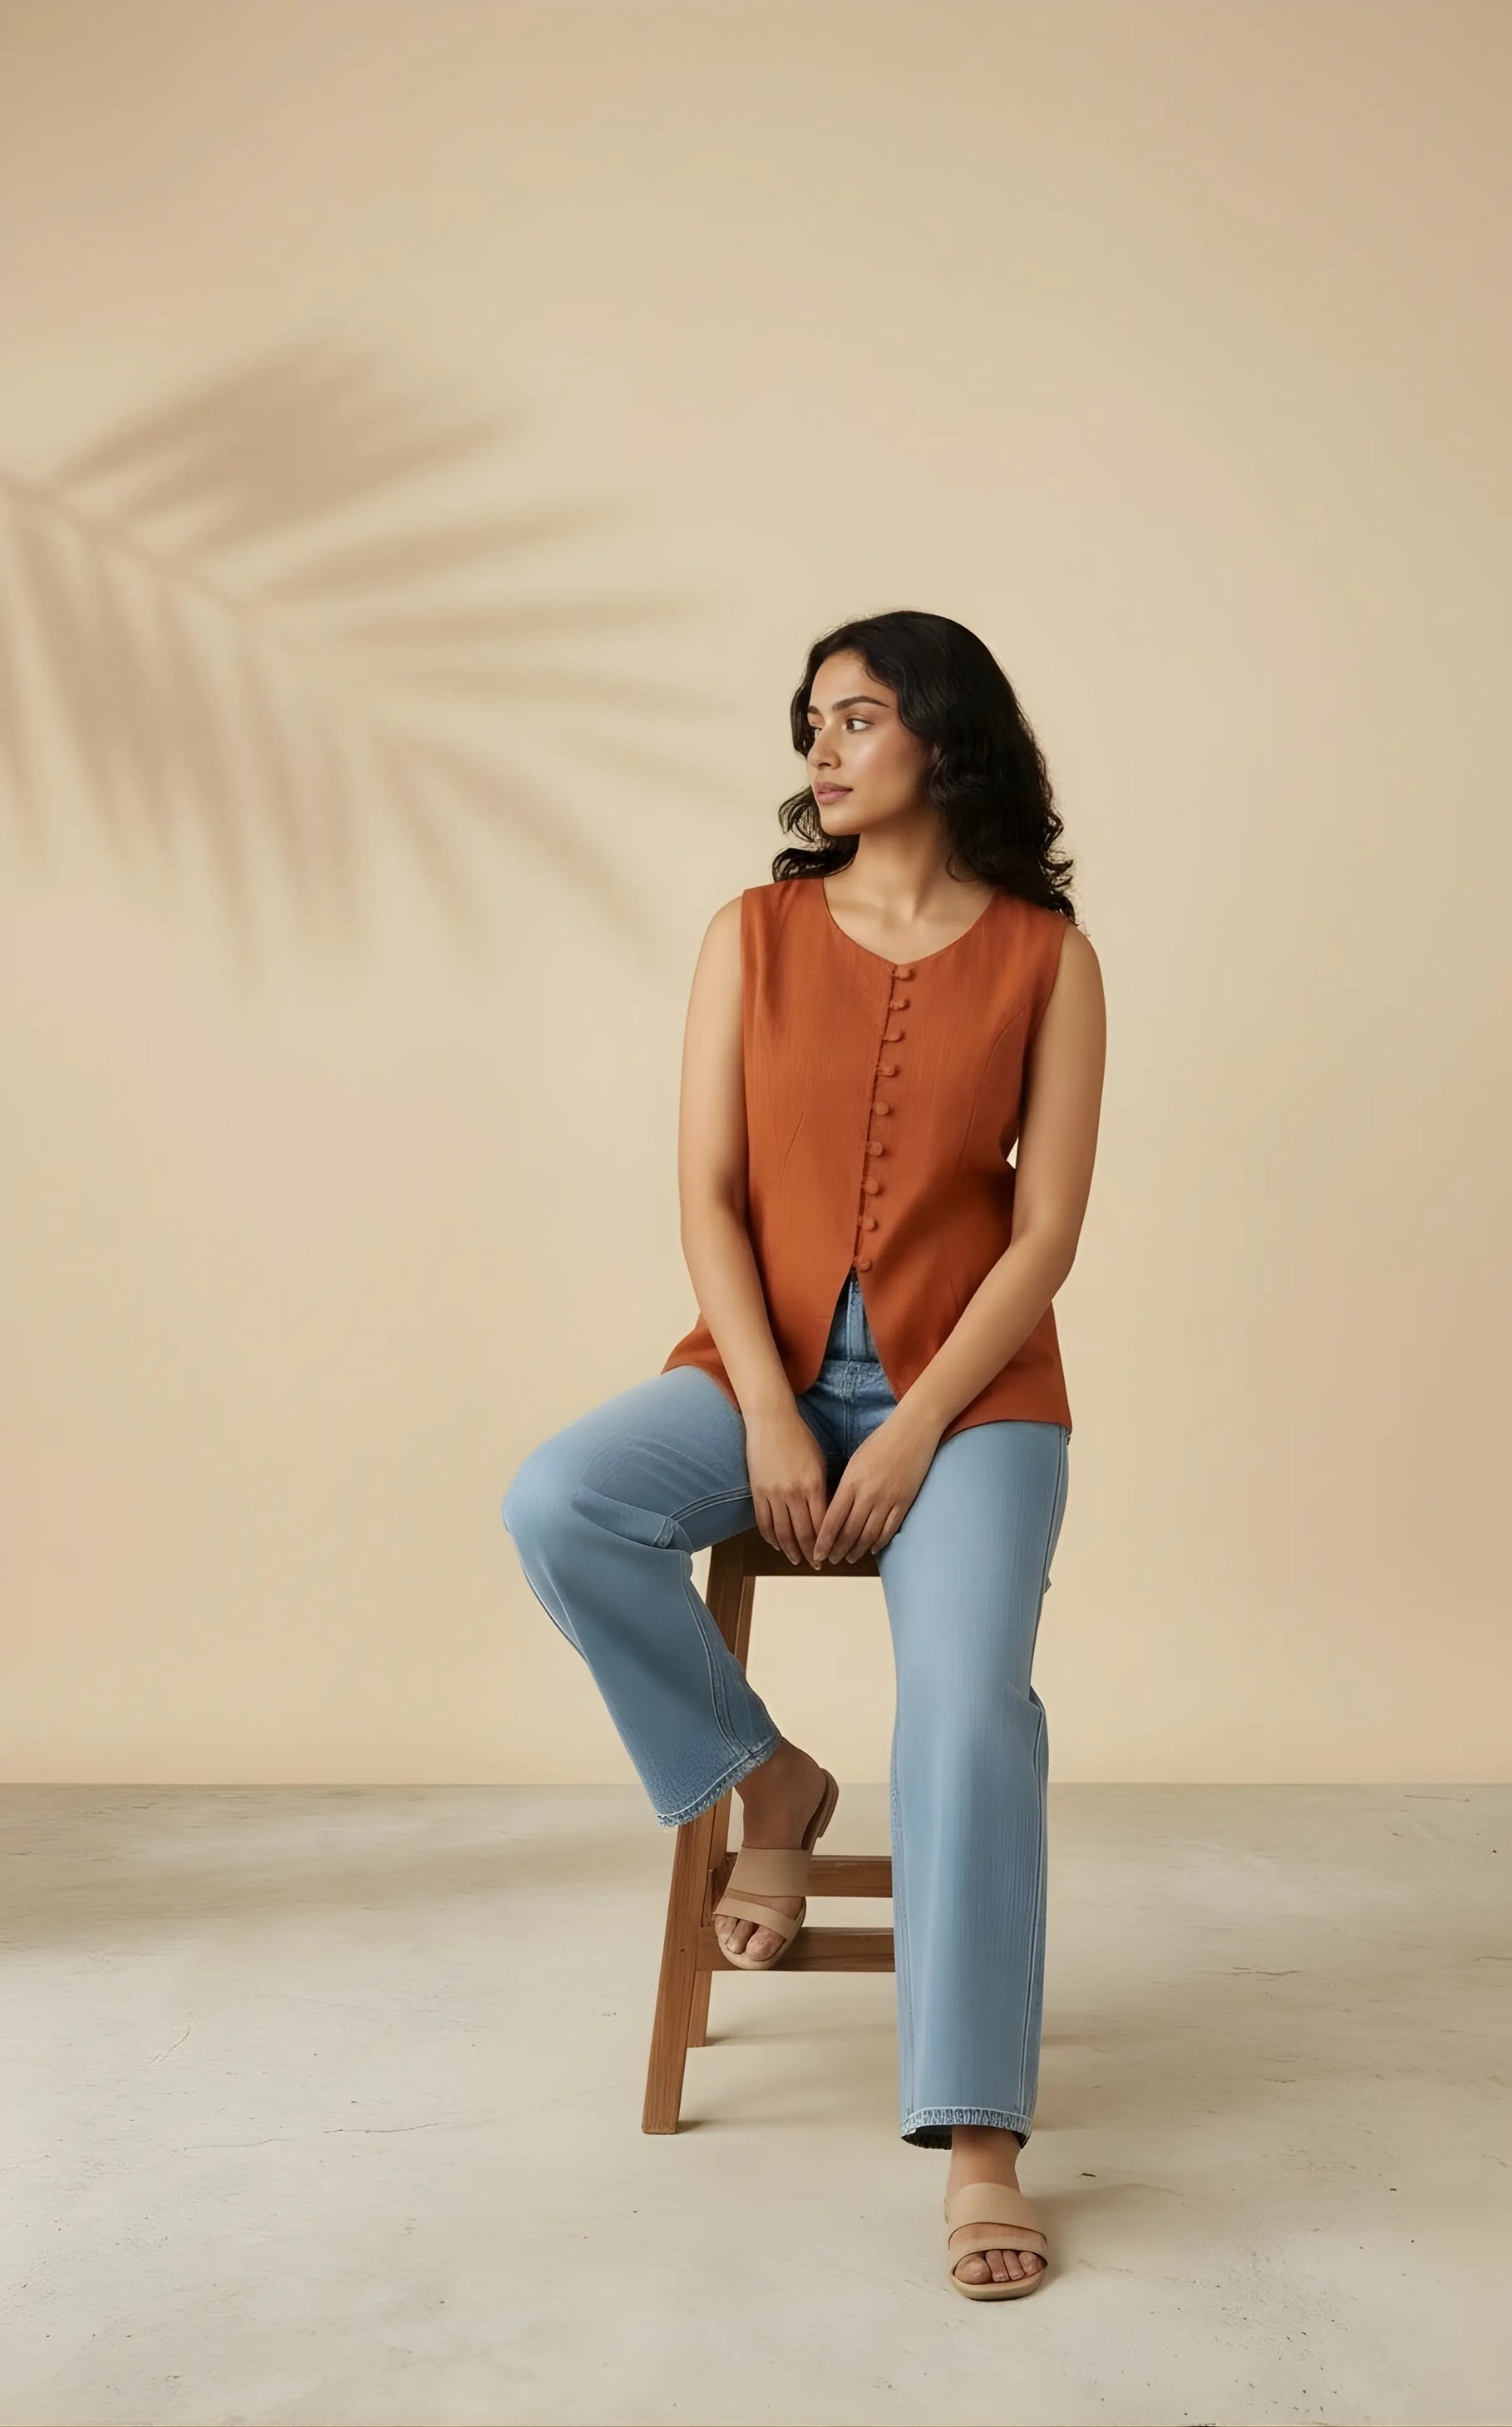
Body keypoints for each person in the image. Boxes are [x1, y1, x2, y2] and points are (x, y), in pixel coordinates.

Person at [501, 608, 1106, 2301]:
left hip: (972, 1399)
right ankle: (762, 1775)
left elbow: (1044, 1231)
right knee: (559, 1501)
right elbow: (703, 1189)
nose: (820, 751)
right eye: (810, 723)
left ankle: (977, 2135)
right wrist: (769, 1404)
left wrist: (915, 1423)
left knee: (973, 1705)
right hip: (753, 1370)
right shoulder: (748, 936)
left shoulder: (1051, 958)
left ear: (944, 737)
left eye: (856, 717)